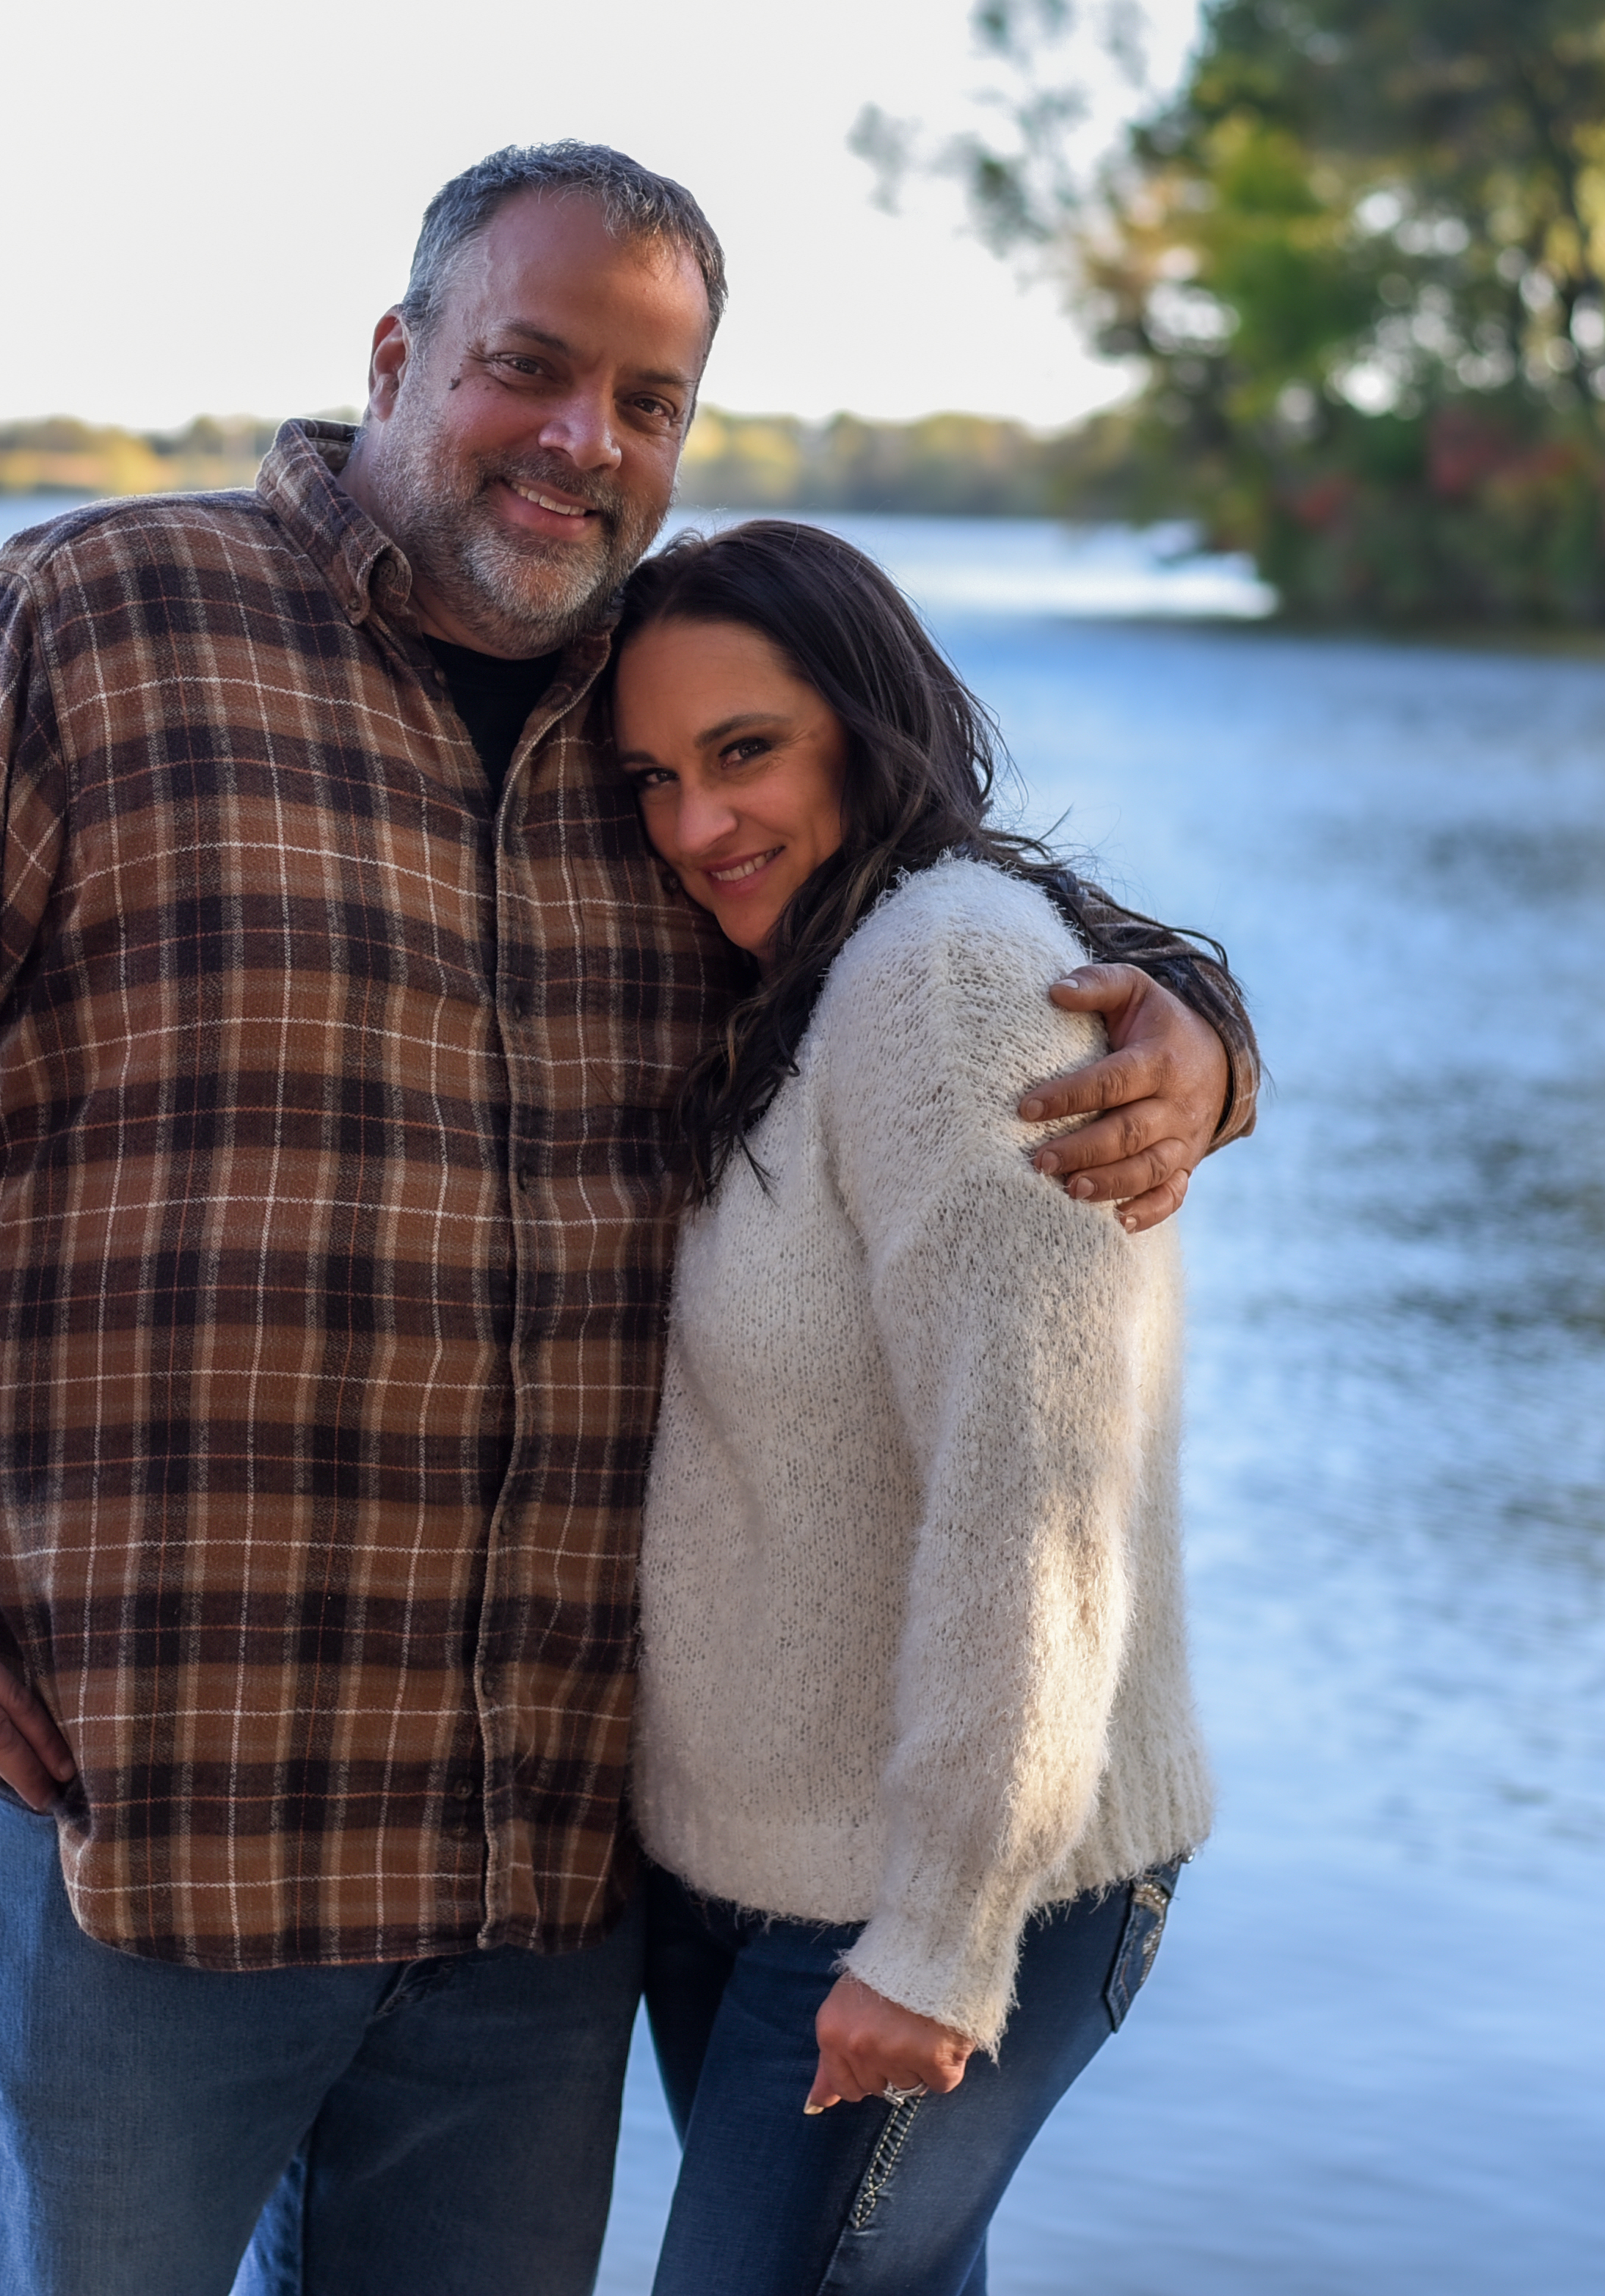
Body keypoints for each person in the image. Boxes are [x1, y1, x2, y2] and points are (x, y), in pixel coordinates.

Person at [0, 141, 1255, 2296]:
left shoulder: (668, 737)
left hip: (535, 1907)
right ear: (402, 357)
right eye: (531, 366)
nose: (585, 439)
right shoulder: (95, 627)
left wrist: (1214, 1045)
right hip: (143, 1838)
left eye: (649, 401)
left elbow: (997, 938)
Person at [604, 520, 1223, 2296]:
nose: (695, 825)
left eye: (745, 752)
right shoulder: (780, 983)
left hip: (944, 1885)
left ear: (866, 728)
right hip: (747, 1873)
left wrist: (942, 1931)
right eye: (652, 776)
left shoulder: (942, 973)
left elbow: (1036, 1469)